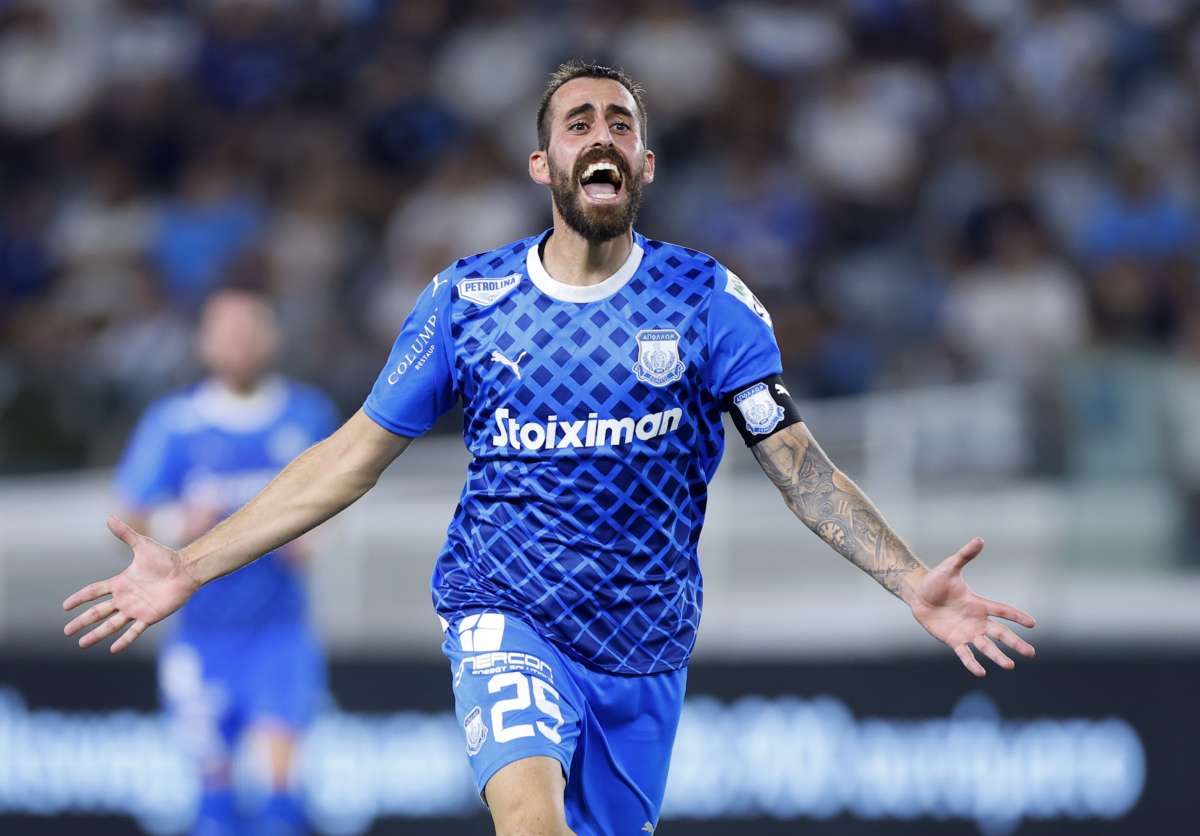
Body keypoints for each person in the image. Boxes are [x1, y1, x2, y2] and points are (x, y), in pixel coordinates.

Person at [65, 62, 1037, 836]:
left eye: (621, 124)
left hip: (644, 642)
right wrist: (189, 564)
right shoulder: (468, 301)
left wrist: (909, 580)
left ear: (645, 163)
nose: (601, 136)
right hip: (506, 609)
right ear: (543, 164)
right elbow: (352, 455)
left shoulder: (709, 301)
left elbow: (797, 463)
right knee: (530, 821)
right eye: (579, 123)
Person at [110, 287, 338, 835]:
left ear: (272, 338)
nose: (238, 342)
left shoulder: (307, 414)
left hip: (279, 634)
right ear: (204, 342)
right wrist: (178, 525)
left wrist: (315, 537)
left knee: (281, 803)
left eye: (249, 329)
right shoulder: (175, 422)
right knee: (213, 807)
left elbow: (337, 494)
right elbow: (129, 516)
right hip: (202, 638)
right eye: (226, 331)